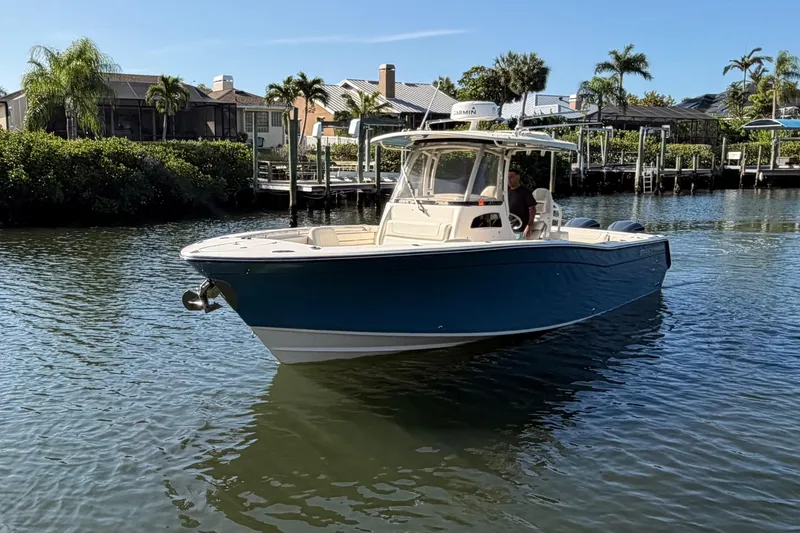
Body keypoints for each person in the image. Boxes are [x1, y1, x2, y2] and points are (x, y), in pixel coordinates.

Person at [507, 169, 537, 239]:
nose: (509, 179)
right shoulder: (505, 192)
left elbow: (532, 209)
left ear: (518, 177)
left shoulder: (525, 192)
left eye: (511, 177)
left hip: (520, 228)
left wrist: (529, 226)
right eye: (507, 177)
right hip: (507, 226)